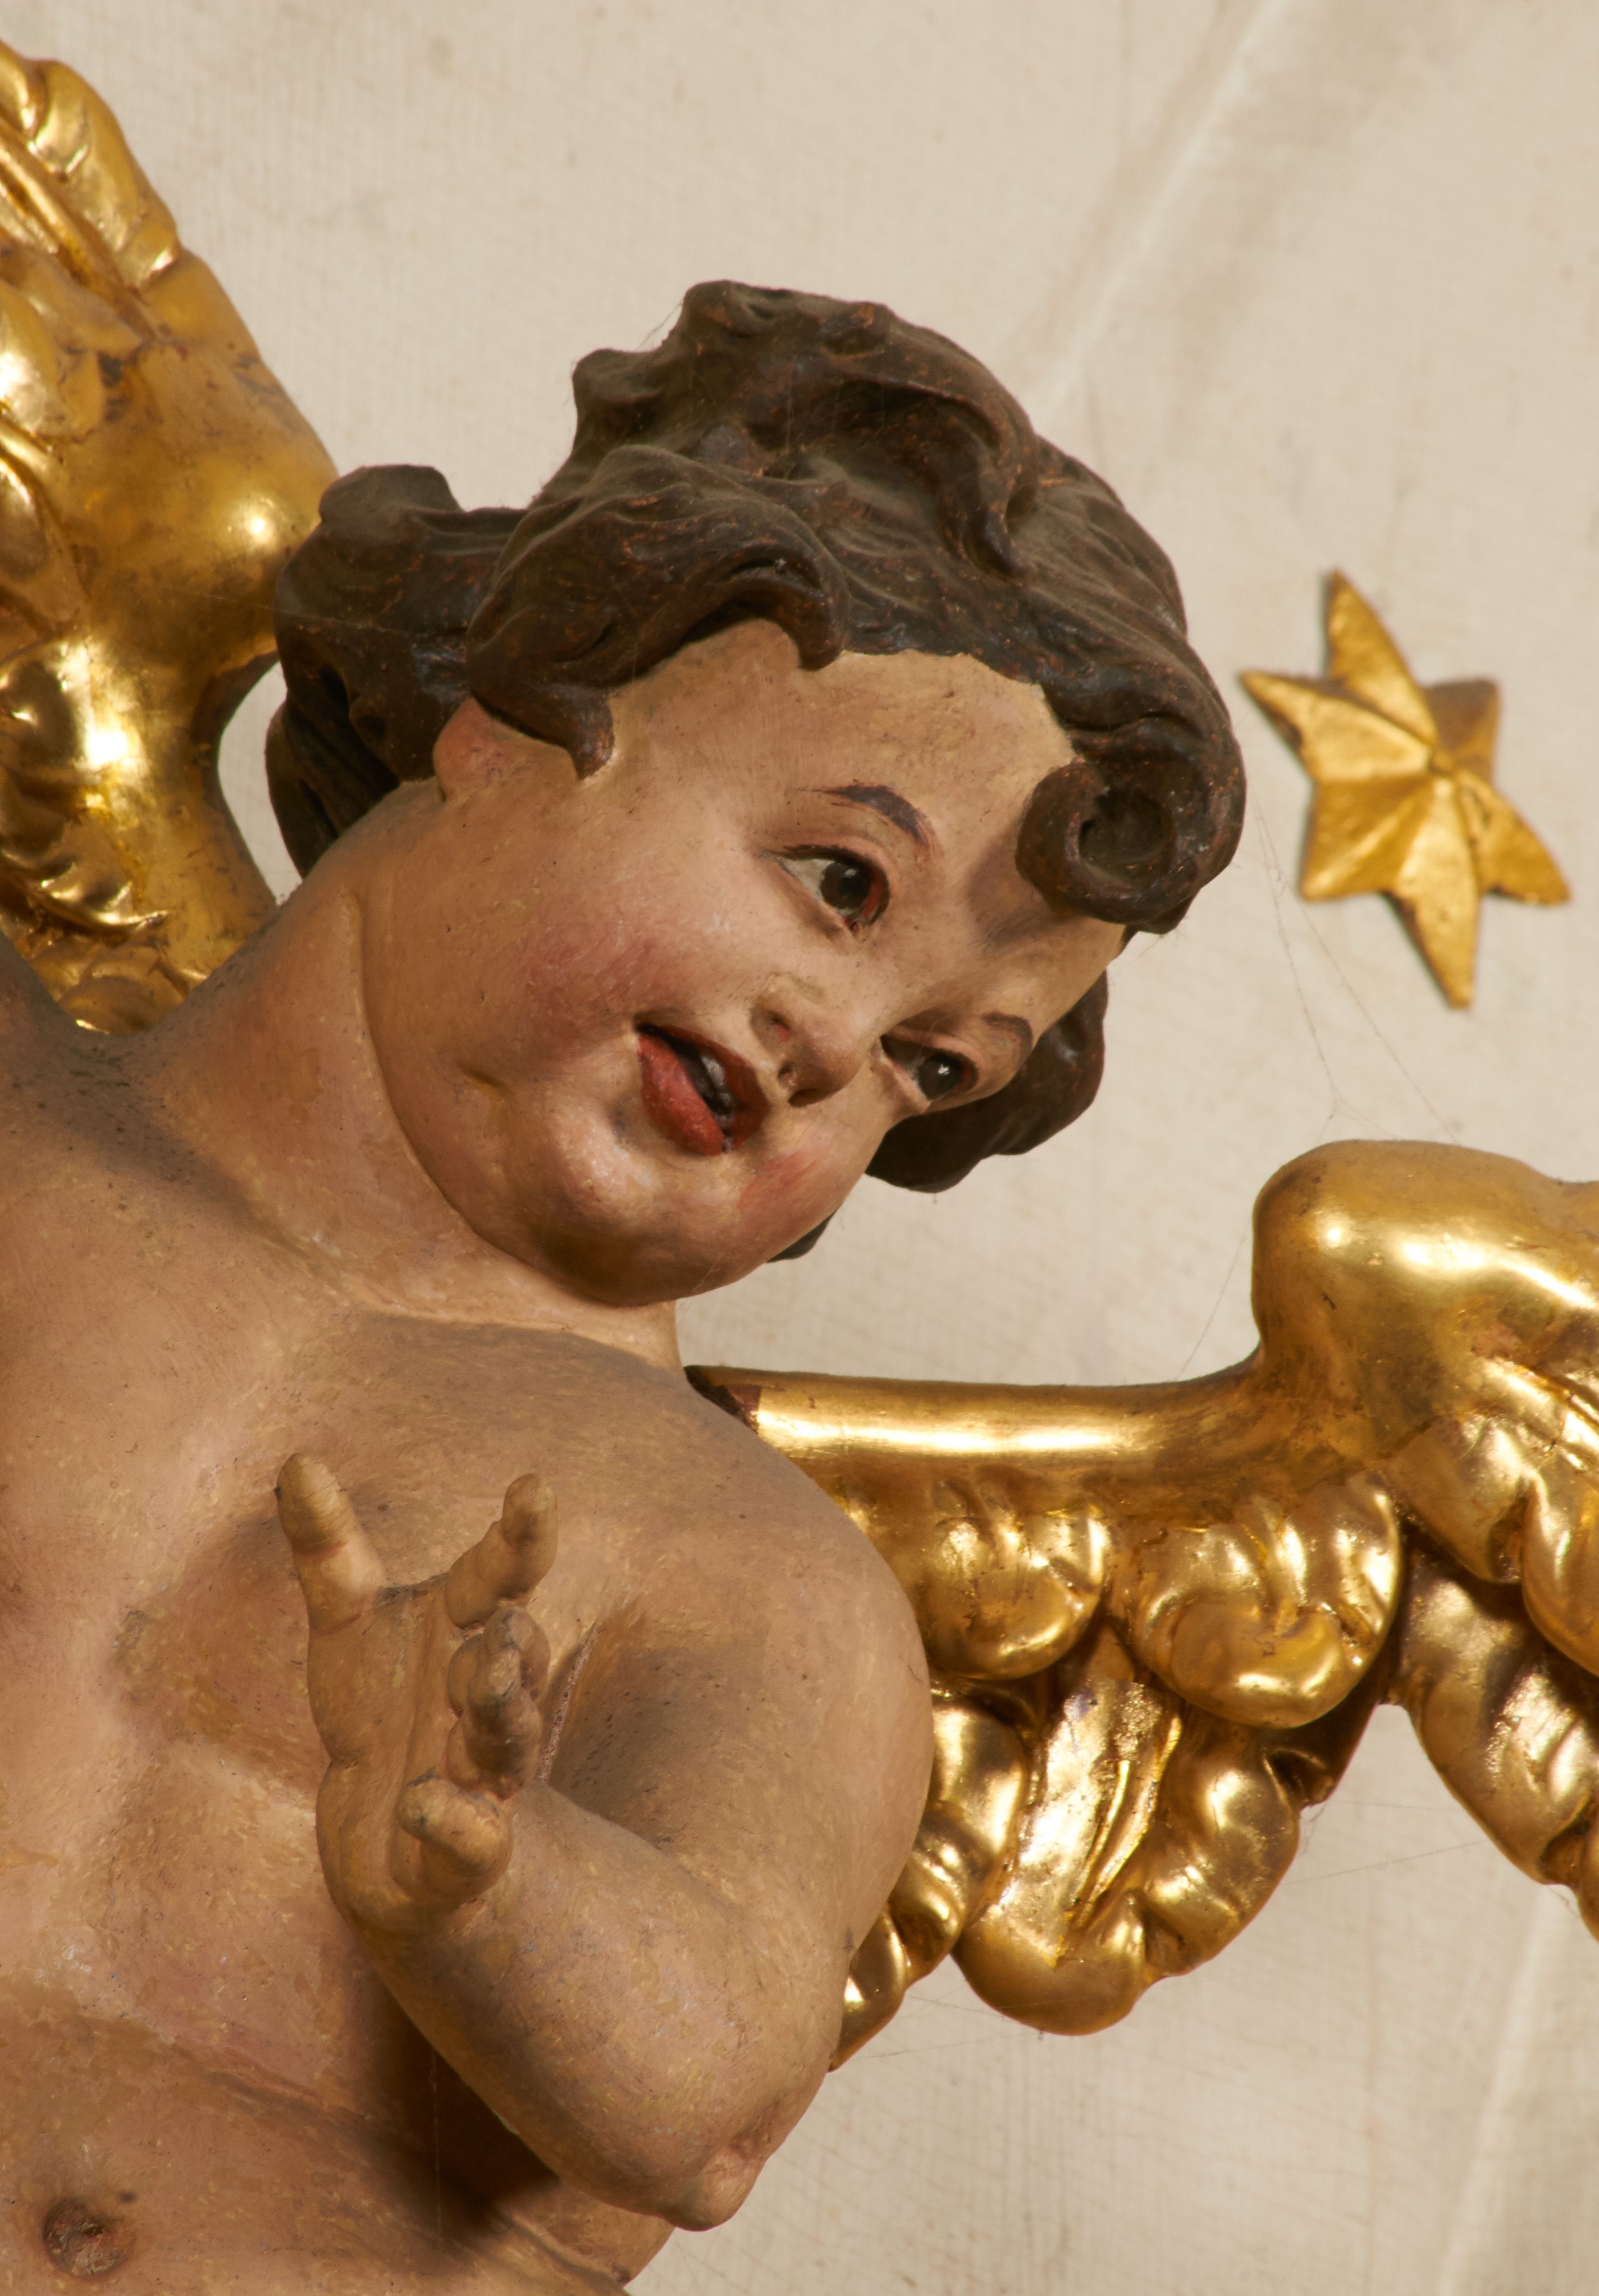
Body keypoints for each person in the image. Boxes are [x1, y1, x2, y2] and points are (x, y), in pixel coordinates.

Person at [0, 283, 1241, 2293]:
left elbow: (707, 2094)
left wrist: (490, 1876)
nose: (838, 1045)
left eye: (938, 1064)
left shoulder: (740, 1571)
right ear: (518, 706)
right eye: (842, 881)